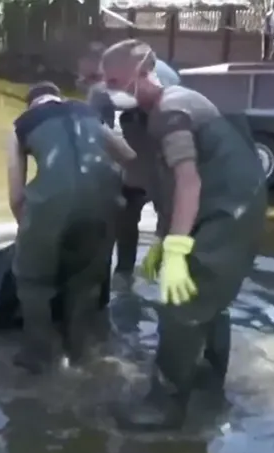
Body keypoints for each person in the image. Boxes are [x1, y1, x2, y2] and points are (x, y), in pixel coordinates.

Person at [98, 40, 267, 428]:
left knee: (181, 308)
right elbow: (169, 191)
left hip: (227, 214)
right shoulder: (159, 113)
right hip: (229, 209)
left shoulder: (170, 109)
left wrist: (175, 250)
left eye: (115, 80)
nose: (111, 89)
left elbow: (188, 182)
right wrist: (162, 239)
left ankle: (164, 406)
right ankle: (209, 383)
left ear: (143, 70)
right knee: (207, 302)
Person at [7, 81, 137, 373]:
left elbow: (16, 194)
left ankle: (39, 357)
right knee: (85, 282)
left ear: (31, 104)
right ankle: (79, 353)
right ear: (59, 97)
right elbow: (129, 156)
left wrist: (28, 232)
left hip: (49, 207)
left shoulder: (20, 126)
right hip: (103, 203)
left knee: (32, 282)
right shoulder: (89, 114)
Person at [77, 42, 182, 284]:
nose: (91, 83)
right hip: (132, 163)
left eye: (94, 76)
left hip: (163, 161)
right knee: (124, 220)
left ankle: (168, 270)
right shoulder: (100, 93)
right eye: (84, 79)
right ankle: (124, 274)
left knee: (169, 220)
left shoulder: (165, 84)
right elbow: (96, 137)